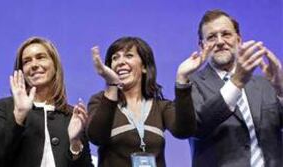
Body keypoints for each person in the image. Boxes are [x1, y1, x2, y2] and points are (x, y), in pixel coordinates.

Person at [188, 9, 283, 167]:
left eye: (226, 34)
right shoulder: (191, 85)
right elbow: (195, 127)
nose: (219, 42)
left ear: (238, 40)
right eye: (211, 37)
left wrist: (281, 90)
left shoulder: (265, 84)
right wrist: (236, 82)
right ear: (201, 46)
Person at [87, 36, 200, 167]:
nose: (120, 62)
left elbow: (184, 131)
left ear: (144, 67)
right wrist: (112, 85)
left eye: (128, 56)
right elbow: (96, 137)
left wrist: (182, 78)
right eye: (115, 58)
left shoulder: (161, 107)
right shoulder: (100, 102)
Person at [0, 37, 93, 167]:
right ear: (21, 71)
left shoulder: (71, 115)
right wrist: (19, 117)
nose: (34, 65)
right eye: (26, 61)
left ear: (55, 65)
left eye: (40, 57)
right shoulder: (5, 108)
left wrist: (75, 143)